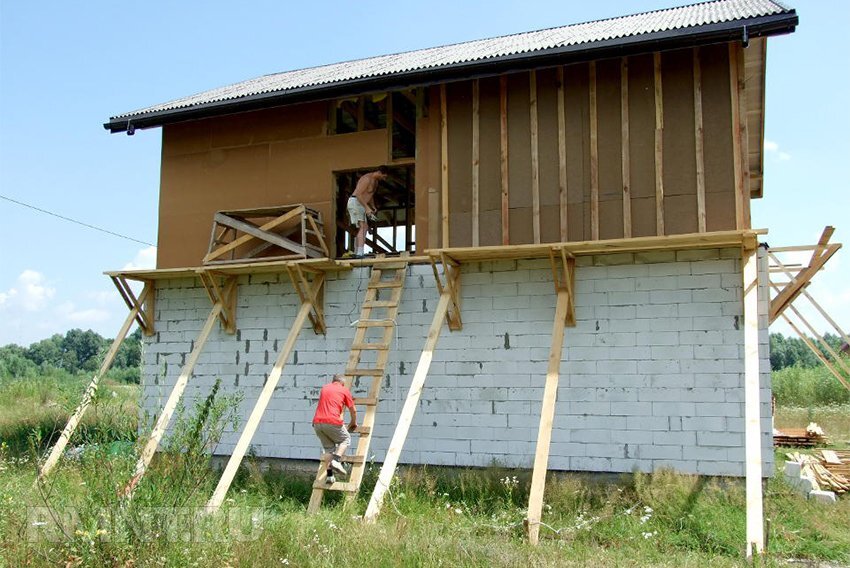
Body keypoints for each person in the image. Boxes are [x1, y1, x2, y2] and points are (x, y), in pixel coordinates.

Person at [312, 374, 358, 484]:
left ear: (333, 381)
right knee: (345, 439)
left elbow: (332, 403)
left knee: (328, 449)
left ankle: (329, 476)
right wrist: (353, 422)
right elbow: (353, 410)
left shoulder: (325, 388)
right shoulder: (344, 390)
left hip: (317, 423)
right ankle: (337, 461)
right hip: (332, 421)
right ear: (342, 383)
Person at [347, 165, 389, 258]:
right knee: (363, 227)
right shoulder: (366, 179)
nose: (384, 179)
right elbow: (358, 194)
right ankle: (359, 253)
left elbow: (370, 195)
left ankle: (358, 252)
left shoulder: (376, 182)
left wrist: (372, 206)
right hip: (355, 202)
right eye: (384, 176)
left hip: (361, 204)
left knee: (363, 227)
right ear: (379, 172)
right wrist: (366, 208)